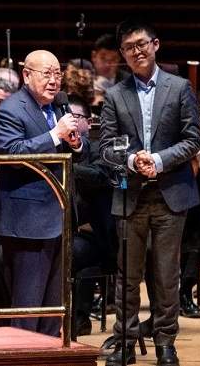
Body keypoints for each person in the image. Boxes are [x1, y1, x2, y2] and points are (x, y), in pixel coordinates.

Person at [99, 19, 200, 366]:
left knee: (166, 275)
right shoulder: (114, 95)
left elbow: (192, 140)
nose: (137, 51)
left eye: (142, 44)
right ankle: (125, 341)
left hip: (171, 193)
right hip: (130, 194)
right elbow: (106, 147)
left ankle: (165, 343)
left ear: (155, 44)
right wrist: (131, 160)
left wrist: (157, 160)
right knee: (127, 276)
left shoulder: (180, 87)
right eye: (129, 48)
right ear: (122, 54)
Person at [0, 49, 88, 336]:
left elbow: (72, 151)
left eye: (57, 74)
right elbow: (11, 154)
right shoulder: (10, 110)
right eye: (46, 74)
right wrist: (55, 135)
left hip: (60, 217)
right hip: (28, 222)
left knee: (53, 309)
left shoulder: (59, 106)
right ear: (26, 75)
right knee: (28, 308)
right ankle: (25, 354)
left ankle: (49, 352)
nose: (54, 80)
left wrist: (76, 144)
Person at [68, 94, 116, 337]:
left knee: (69, 253)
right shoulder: (51, 146)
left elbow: (101, 175)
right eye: (65, 116)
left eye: (75, 116)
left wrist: (64, 167)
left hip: (96, 236)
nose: (70, 121)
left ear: (89, 122)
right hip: (56, 230)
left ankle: (77, 319)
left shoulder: (100, 149)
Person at [91, 33, 129, 106]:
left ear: (119, 59)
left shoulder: (128, 81)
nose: (107, 64)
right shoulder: (84, 78)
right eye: (103, 58)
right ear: (94, 56)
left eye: (113, 59)